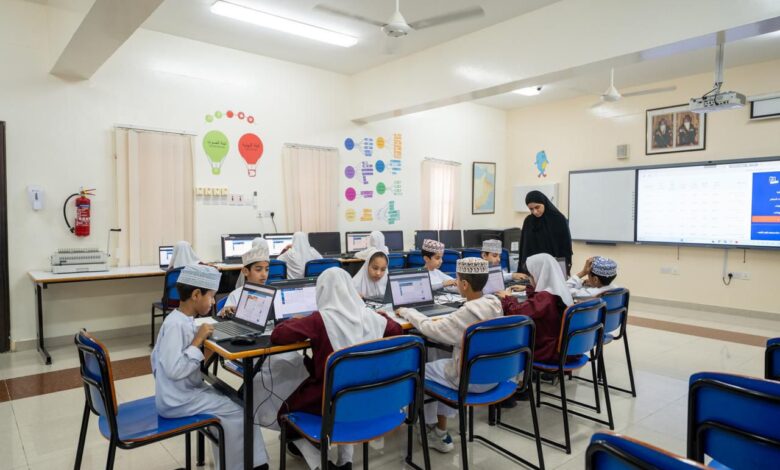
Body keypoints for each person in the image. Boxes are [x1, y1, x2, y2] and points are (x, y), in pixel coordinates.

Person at [271, 268, 402, 470]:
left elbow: (278, 336)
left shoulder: (319, 320)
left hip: (327, 400)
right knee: (348, 394)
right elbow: (397, 330)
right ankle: (345, 461)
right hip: (369, 397)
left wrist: (293, 320)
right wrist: (381, 315)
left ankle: (321, 464)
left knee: (286, 415)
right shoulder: (371, 317)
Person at [151, 265, 269, 470]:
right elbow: (174, 370)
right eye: (212, 297)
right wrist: (197, 341)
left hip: (179, 394)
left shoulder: (178, 319)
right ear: (196, 295)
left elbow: (157, 360)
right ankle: (249, 465)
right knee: (239, 410)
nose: (214, 302)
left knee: (233, 401)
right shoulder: (175, 326)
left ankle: (243, 462)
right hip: (176, 400)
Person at [396, 258, 503, 453]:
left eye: (458, 279)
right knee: (441, 360)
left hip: (470, 380)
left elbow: (430, 329)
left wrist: (408, 312)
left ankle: (429, 428)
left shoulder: (467, 314)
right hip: (494, 376)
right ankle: (439, 428)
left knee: (419, 370)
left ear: (464, 284)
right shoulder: (494, 304)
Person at [498, 253, 572, 365]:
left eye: (531, 276)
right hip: (562, 348)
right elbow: (537, 303)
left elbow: (516, 313)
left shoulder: (545, 297)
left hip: (546, 351)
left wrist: (507, 297)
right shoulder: (558, 289)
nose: (530, 280)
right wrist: (529, 288)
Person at [519, 191, 573, 274]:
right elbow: (524, 248)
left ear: (544, 203)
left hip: (554, 269)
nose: (535, 212)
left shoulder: (558, 219)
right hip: (533, 270)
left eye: (537, 207)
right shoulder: (528, 221)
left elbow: (565, 247)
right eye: (531, 209)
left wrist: (565, 269)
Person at [219, 241, 270, 317]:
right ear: (245, 271)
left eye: (267, 269)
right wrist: (227, 310)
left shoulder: (270, 293)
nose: (264, 274)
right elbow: (226, 315)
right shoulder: (236, 295)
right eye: (258, 270)